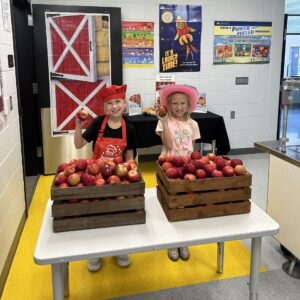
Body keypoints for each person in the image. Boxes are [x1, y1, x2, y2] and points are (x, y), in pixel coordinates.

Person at [74, 84, 137, 271]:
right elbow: (78, 145)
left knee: (119, 212)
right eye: (109, 103)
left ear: (124, 104)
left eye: (118, 101)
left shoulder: (130, 128)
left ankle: (120, 249)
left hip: (118, 177)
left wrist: (130, 177)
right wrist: (78, 126)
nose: (114, 106)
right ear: (105, 107)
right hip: (96, 176)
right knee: (97, 214)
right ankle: (95, 253)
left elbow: (130, 157)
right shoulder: (97, 123)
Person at [155, 84, 201, 261]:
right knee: (171, 203)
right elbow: (168, 145)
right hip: (169, 166)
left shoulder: (193, 124)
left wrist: (193, 166)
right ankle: (171, 241)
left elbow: (193, 151)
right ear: (168, 104)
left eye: (182, 103)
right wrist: (165, 122)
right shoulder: (163, 122)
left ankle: (183, 240)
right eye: (174, 103)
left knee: (186, 203)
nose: (179, 107)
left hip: (186, 169)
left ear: (189, 104)